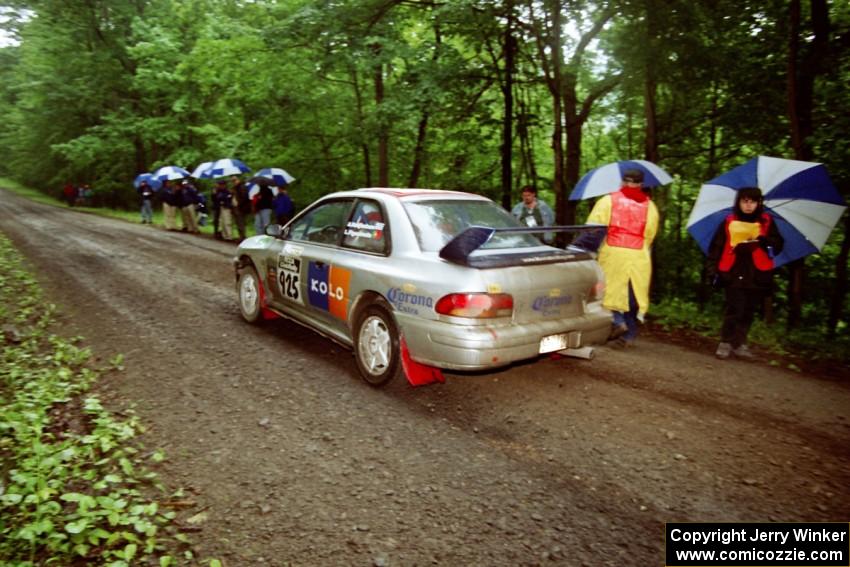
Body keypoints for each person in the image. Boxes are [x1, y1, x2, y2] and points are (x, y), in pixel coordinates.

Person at [583, 168, 659, 347]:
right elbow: (650, 234)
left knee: (609, 292)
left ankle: (618, 322)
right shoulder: (650, 207)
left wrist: (590, 250)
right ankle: (629, 334)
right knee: (632, 295)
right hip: (638, 256)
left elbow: (593, 229)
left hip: (613, 253)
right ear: (641, 185)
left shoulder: (608, 201)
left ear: (622, 182)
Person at [706, 187, 784, 360]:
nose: (748, 205)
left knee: (749, 309)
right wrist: (713, 270)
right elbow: (716, 247)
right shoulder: (728, 221)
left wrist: (765, 241)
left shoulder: (767, 222)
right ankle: (725, 342)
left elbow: (777, 246)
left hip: (758, 272)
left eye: (753, 201)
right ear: (738, 202)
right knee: (735, 307)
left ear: (759, 203)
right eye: (745, 201)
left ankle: (740, 344)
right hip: (733, 269)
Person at [230, 175, 251, 241]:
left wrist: (239, 203)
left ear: (238, 180)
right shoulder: (235, 188)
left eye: (235, 180)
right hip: (236, 207)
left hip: (241, 208)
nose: (234, 182)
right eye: (232, 181)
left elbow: (244, 197)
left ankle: (243, 237)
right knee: (238, 222)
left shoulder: (242, 187)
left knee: (241, 222)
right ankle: (241, 236)